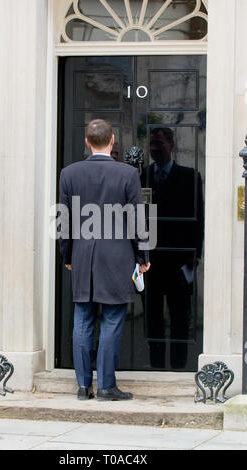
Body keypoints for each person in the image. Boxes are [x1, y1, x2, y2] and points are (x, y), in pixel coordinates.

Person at [59, 119, 150, 401]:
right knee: (112, 320)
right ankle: (107, 387)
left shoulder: (69, 173)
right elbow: (138, 218)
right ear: (112, 142)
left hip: (83, 255)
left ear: (88, 141)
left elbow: (64, 220)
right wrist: (143, 255)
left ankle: (83, 387)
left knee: (82, 319)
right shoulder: (127, 173)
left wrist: (67, 255)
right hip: (118, 257)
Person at [142, 127, 204, 369]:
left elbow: (198, 218)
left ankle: (178, 367)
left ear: (171, 145)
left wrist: (195, 254)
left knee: (180, 318)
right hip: (151, 262)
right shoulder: (142, 176)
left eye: (159, 143)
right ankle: (156, 367)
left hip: (180, 262)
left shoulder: (190, 176)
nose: (154, 148)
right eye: (152, 144)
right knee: (152, 319)